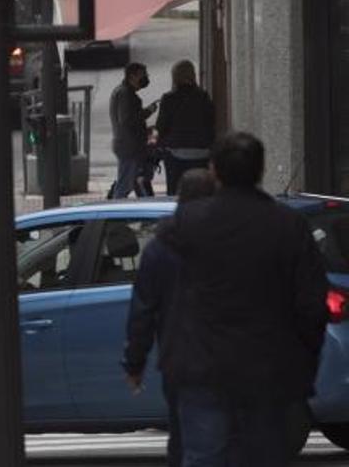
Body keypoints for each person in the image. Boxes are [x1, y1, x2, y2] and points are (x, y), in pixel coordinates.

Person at [158, 132, 329, 467]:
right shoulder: (289, 226)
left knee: (205, 456)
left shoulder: (184, 225)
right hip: (270, 373)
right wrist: (303, 364)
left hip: (202, 370)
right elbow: (311, 306)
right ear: (260, 170)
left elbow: (165, 294)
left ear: (214, 172)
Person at [121, 168, 217, 467]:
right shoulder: (229, 241)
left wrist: (135, 363)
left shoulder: (161, 248)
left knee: (183, 435)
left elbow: (143, 312)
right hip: (229, 353)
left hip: (181, 357)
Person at [156, 60, 216, 196]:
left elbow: (161, 126)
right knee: (202, 190)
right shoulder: (203, 97)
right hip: (202, 151)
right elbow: (211, 121)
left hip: (176, 151)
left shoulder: (169, 98)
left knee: (174, 190)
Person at [108, 63, 157, 199]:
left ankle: (146, 209)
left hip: (129, 145)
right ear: (132, 76)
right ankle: (113, 213)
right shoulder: (125, 94)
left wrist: (145, 129)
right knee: (124, 186)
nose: (146, 78)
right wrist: (148, 111)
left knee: (137, 181)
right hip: (129, 147)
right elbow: (127, 120)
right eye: (143, 75)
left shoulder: (124, 92)